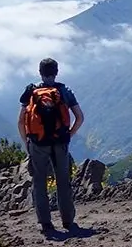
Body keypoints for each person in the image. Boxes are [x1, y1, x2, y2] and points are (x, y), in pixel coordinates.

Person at [18, 58, 85, 234]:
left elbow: (20, 122)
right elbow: (80, 117)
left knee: (39, 182)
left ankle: (46, 223)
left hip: (38, 142)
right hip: (60, 142)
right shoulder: (64, 91)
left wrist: (28, 144)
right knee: (63, 181)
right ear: (57, 71)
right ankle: (68, 221)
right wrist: (68, 135)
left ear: (40, 72)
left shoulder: (31, 92)